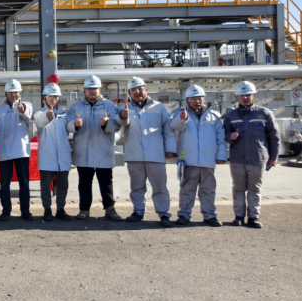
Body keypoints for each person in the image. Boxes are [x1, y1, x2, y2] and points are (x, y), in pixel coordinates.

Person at [116, 76, 176, 227]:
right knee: (137, 187)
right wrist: (122, 117)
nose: (137, 92)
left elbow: (168, 129)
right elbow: (119, 126)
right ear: (129, 93)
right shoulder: (124, 109)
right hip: (134, 155)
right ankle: (138, 212)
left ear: (146, 90)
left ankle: (164, 214)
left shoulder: (159, 107)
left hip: (155, 154)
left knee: (160, 187)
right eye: (133, 90)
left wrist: (170, 149)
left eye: (140, 89)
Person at [223, 81, 279, 228]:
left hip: (257, 158)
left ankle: (253, 217)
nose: (245, 98)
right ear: (237, 97)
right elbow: (224, 133)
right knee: (238, 189)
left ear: (254, 96)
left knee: (255, 189)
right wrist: (230, 137)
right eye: (241, 95)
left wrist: (273, 157)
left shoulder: (265, 113)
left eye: (248, 95)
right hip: (237, 159)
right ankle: (239, 216)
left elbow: (274, 137)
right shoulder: (231, 115)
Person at [66, 75, 122, 221]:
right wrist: (74, 125)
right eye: (89, 88)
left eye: (94, 88)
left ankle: (110, 209)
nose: (92, 91)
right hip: (83, 151)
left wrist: (106, 124)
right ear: (84, 90)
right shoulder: (76, 107)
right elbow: (67, 124)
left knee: (106, 182)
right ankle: (84, 209)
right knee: (84, 183)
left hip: (103, 150)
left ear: (100, 89)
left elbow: (117, 126)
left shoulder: (109, 106)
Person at [169, 85, 226, 227]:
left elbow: (221, 138)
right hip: (189, 160)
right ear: (187, 100)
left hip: (208, 160)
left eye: (199, 98)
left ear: (204, 99)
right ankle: (184, 215)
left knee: (208, 190)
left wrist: (221, 155)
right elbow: (175, 127)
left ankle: (209, 215)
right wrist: (181, 119)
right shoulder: (179, 113)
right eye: (193, 99)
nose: (196, 101)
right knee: (187, 190)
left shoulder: (214, 116)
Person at [0, 79, 35, 221]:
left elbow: (27, 114)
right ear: (6, 93)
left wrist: (22, 109)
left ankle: (25, 211)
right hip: (4, 151)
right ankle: (6, 211)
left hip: (21, 150)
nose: (13, 95)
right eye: (11, 92)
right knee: (4, 184)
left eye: (16, 92)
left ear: (20, 93)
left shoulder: (27, 105)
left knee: (24, 183)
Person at [33, 83, 72, 221]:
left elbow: (71, 128)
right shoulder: (38, 113)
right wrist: (47, 116)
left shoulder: (65, 114)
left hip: (63, 155)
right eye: (50, 97)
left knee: (63, 186)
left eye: (56, 97)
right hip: (47, 156)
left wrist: (76, 124)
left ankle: (60, 209)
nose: (53, 99)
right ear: (45, 98)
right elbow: (39, 122)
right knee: (45, 186)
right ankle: (47, 210)